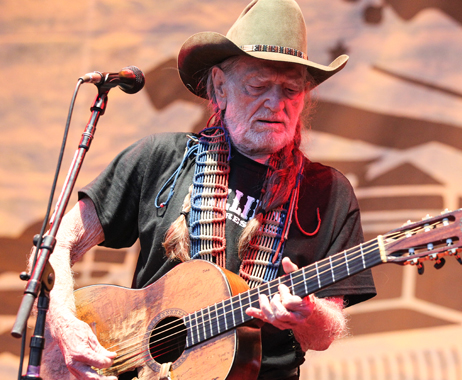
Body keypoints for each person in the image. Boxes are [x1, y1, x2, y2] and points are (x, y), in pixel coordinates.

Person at [40, 0, 376, 379]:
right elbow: (56, 243)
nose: (275, 103)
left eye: (290, 90)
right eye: (258, 85)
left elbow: (324, 334)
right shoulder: (161, 157)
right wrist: (64, 320)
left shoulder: (328, 192)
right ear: (219, 86)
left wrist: (308, 314)